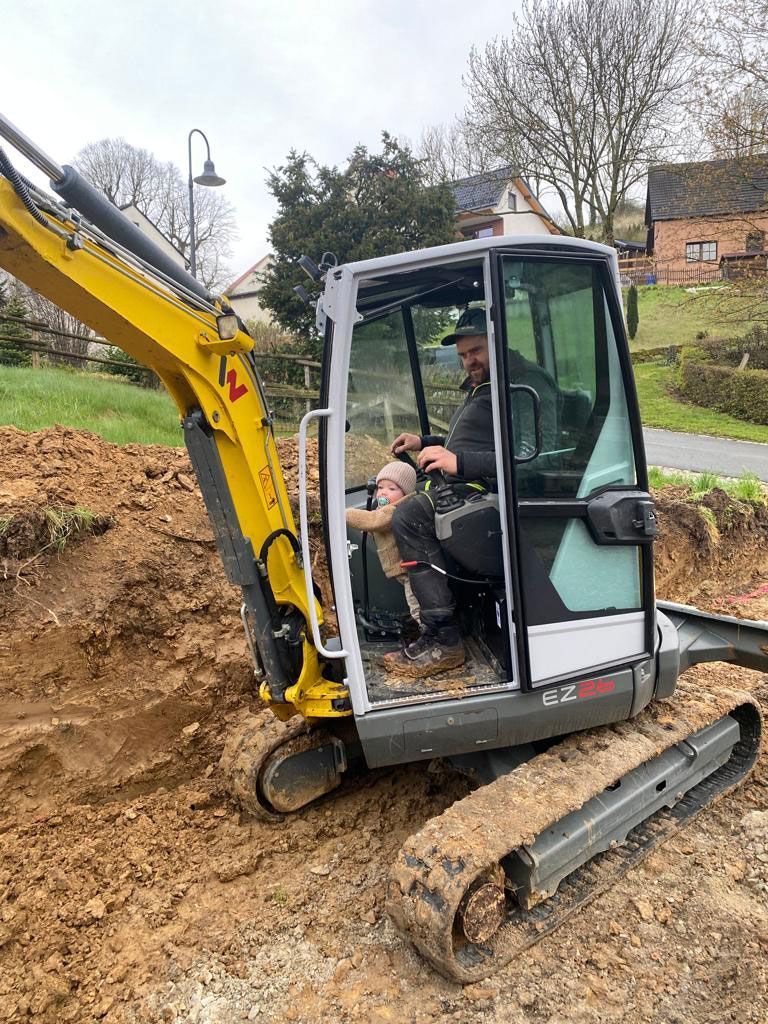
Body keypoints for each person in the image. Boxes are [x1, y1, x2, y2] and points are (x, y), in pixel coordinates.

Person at [386, 305, 495, 678]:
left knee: (409, 516)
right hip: (466, 481)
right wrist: (424, 441)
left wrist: (458, 464)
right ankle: (441, 620)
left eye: (476, 351)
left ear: (496, 342)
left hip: (489, 492)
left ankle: (444, 638)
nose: (469, 361)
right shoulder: (482, 387)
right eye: (463, 355)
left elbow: (525, 459)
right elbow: (464, 440)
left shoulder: (514, 388)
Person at [345, 461, 422, 626]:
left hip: (413, 572)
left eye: (392, 489)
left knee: (418, 608)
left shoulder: (398, 510)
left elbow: (374, 521)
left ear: (406, 492)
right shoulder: (387, 508)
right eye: (380, 488)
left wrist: (344, 513)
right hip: (405, 571)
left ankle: (433, 637)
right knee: (417, 605)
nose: (383, 493)